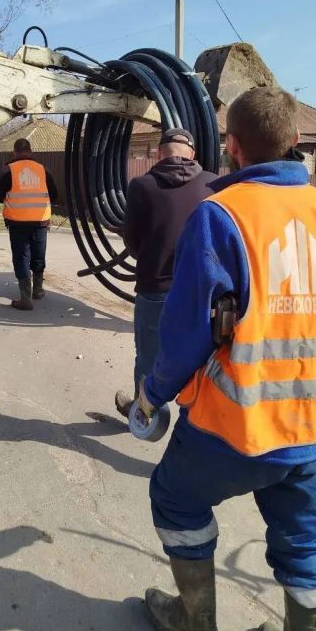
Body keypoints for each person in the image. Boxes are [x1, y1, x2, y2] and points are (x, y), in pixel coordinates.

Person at [137, 87, 316, 631]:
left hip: (236, 428)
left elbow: (188, 330)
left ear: (232, 146)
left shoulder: (220, 216)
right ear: (295, 142)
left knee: (175, 498)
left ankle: (197, 630)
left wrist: (152, 394)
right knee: (305, 540)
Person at [114, 128, 217, 419]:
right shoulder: (212, 184)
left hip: (153, 287)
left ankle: (143, 415)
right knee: (200, 358)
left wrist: (152, 257)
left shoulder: (141, 186)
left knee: (148, 356)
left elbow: (131, 240)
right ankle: (199, 419)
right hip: (200, 291)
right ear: (192, 155)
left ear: (159, 153)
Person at [0, 138, 58, 310]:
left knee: (22, 257)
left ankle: (25, 299)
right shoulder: (43, 170)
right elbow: (55, 195)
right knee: (38, 255)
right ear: (30, 152)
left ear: (14, 152)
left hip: (17, 222)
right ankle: (38, 290)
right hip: (40, 221)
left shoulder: (9, 170)